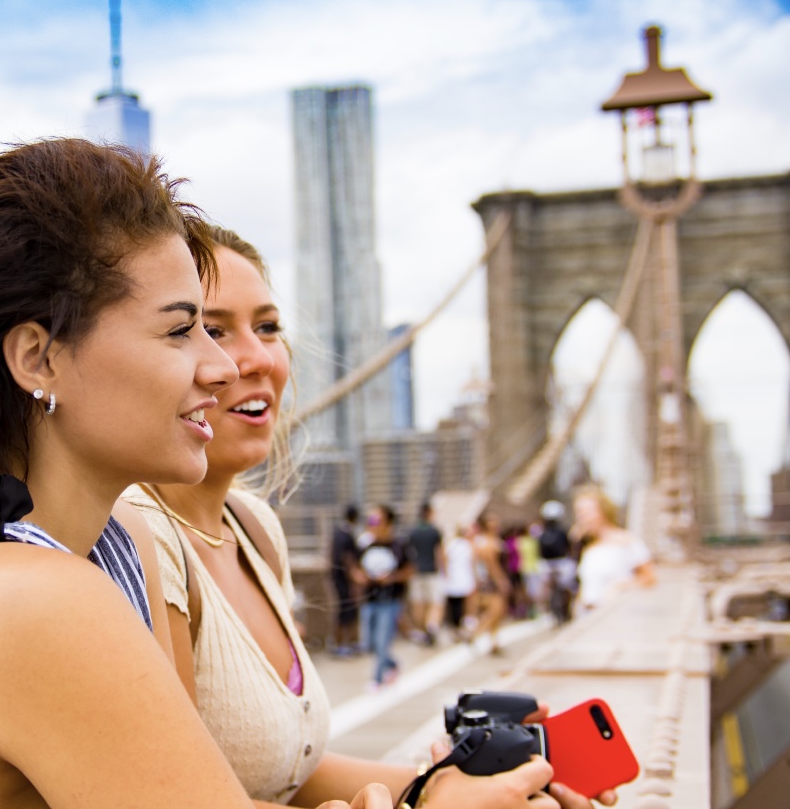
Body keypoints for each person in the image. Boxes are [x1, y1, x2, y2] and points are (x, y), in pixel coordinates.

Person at [0, 140, 392, 809]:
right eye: (183, 331)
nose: (220, 367)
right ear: (37, 359)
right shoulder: (35, 602)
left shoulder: (56, 564)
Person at [124, 227, 610, 809]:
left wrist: (451, 787)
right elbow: (170, 800)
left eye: (269, 327)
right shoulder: (137, 536)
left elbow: (286, 775)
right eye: (207, 329)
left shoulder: (254, 528)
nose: (254, 357)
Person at [571, 486, 655, 612]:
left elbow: (649, 578)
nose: (581, 517)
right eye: (578, 512)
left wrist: (622, 586)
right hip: (587, 617)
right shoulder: (588, 547)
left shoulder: (626, 541)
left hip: (613, 617)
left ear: (603, 511)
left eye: (586, 511)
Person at [357, 506, 414, 688]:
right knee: (369, 642)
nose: (372, 525)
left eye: (376, 521)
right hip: (370, 599)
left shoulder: (399, 545)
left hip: (389, 600)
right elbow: (355, 566)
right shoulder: (366, 545)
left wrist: (391, 578)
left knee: (383, 640)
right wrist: (361, 577)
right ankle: (392, 664)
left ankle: (377, 679)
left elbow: (410, 569)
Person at [470, 511, 510, 655]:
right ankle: (475, 635)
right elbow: (492, 565)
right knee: (495, 611)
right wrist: (501, 580)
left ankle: (494, 641)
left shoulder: (487, 541)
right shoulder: (488, 543)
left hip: (488, 579)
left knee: (497, 612)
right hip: (492, 581)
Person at [406, 502, 445, 646]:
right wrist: (445, 571)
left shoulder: (413, 531)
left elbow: (408, 552)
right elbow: (440, 552)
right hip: (431, 571)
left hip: (416, 571)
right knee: (435, 602)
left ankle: (422, 631)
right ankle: (431, 626)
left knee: (419, 603)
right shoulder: (434, 531)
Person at [329, 505, 362, 655]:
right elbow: (347, 558)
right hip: (344, 579)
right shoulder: (346, 535)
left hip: (337, 577)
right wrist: (354, 579)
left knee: (346, 610)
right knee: (346, 611)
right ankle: (341, 644)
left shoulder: (337, 532)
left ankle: (346, 643)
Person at [537, 500, 576, 624]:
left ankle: (551, 608)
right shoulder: (559, 531)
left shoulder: (543, 532)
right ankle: (548, 609)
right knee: (563, 586)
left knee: (564, 586)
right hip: (555, 564)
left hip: (550, 564)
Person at [442, 522, 476, 642]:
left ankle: (457, 627)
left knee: (456, 605)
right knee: (459, 605)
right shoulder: (463, 544)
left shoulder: (453, 544)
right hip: (459, 578)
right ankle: (457, 628)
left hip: (457, 577)